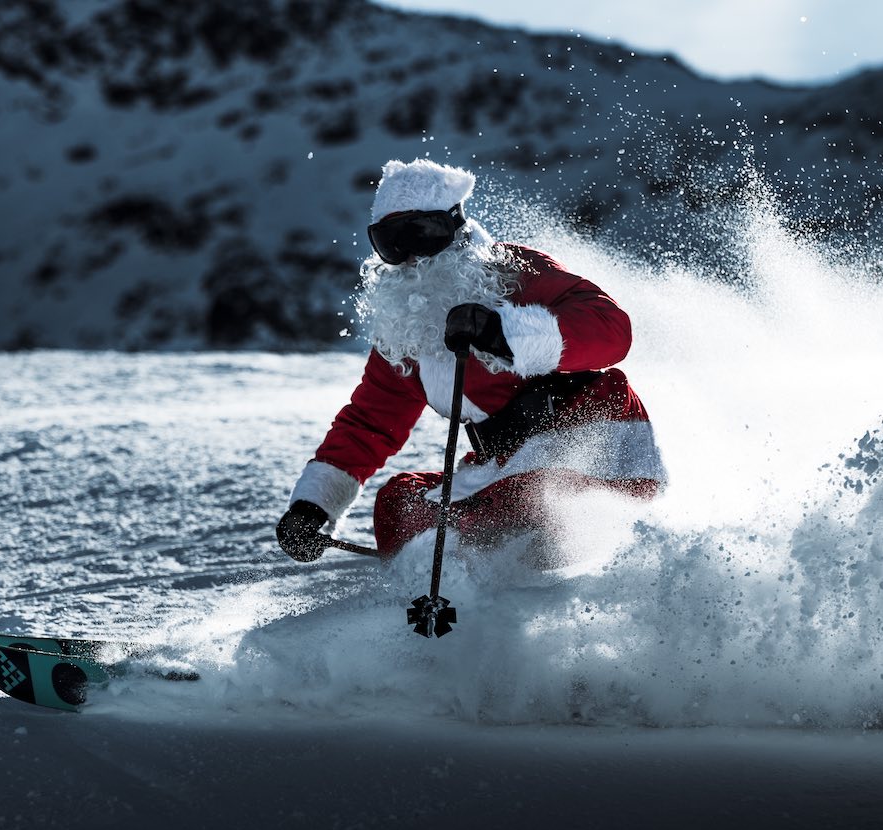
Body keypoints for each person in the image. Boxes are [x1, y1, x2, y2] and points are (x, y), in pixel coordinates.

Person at [276, 158, 665, 564]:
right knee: (400, 505)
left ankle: (510, 583)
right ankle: (449, 589)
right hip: (501, 463)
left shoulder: (514, 272)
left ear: (455, 227)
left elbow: (612, 329)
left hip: (588, 440)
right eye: (391, 242)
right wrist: (313, 507)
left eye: (423, 234)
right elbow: (369, 422)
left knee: (520, 504)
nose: (411, 257)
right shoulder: (406, 328)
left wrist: (503, 332)